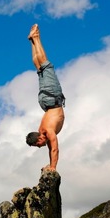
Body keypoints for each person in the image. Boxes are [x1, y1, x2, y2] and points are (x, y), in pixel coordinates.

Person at [25, 24, 65, 171]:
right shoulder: (44, 132)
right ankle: (32, 41)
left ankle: (36, 38)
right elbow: (51, 149)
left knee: (45, 66)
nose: (41, 146)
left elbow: (55, 149)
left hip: (52, 97)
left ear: (40, 138)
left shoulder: (47, 131)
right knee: (39, 67)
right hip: (45, 101)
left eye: (38, 145)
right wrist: (50, 165)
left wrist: (53, 167)